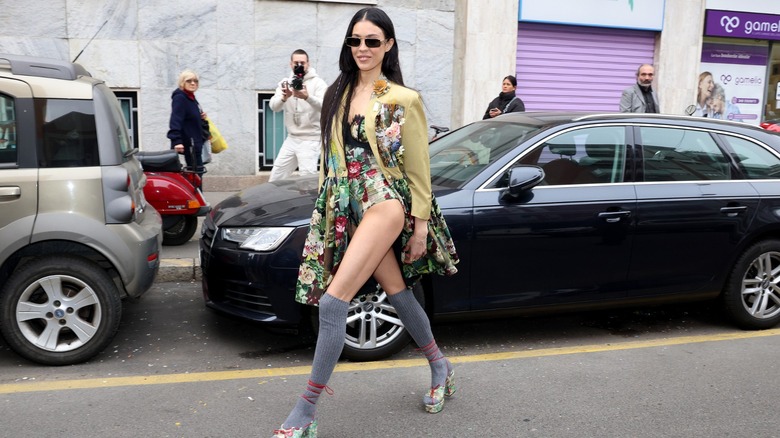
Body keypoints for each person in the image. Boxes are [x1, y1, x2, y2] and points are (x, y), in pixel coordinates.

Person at [271, 7, 460, 437]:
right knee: (399, 293)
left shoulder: (401, 98)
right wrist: (326, 210)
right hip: (345, 204)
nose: (362, 48)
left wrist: (419, 225)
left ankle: (305, 412)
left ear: (388, 45)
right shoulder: (336, 91)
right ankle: (440, 366)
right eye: (355, 40)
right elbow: (328, 158)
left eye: (372, 41)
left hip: (384, 201)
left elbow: (418, 169)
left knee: (334, 303)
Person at [268, 49, 328, 182]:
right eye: (296, 63)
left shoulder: (318, 83)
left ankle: (311, 203)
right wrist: (284, 97)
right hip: (291, 138)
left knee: (306, 180)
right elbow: (273, 107)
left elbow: (326, 107)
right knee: (276, 176)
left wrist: (307, 97)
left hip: (311, 139)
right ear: (291, 64)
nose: (299, 65)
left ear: (308, 63)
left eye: (302, 62)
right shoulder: (285, 82)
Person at [167, 69, 208, 173]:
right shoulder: (180, 98)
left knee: (197, 173)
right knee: (195, 175)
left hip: (196, 143)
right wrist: (176, 141)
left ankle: (197, 189)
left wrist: (200, 117)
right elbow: (175, 119)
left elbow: (188, 117)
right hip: (190, 144)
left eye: (195, 81)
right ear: (182, 82)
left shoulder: (191, 97)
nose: (193, 83)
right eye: (189, 81)